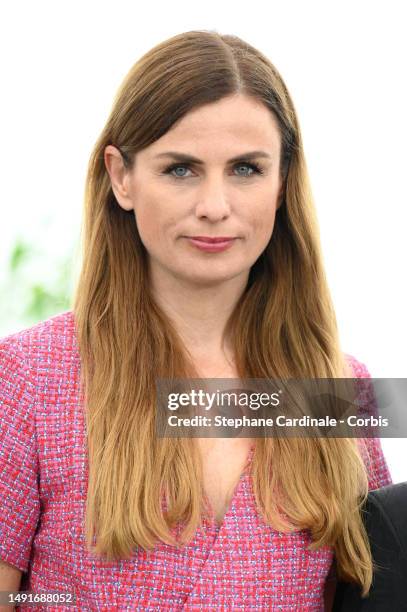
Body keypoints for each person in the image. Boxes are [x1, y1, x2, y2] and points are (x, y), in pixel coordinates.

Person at [0, 30, 393, 610]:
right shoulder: (28, 377)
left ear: (283, 181)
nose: (214, 205)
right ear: (121, 177)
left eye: (246, 169)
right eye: (181, 169)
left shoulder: (336, 390)